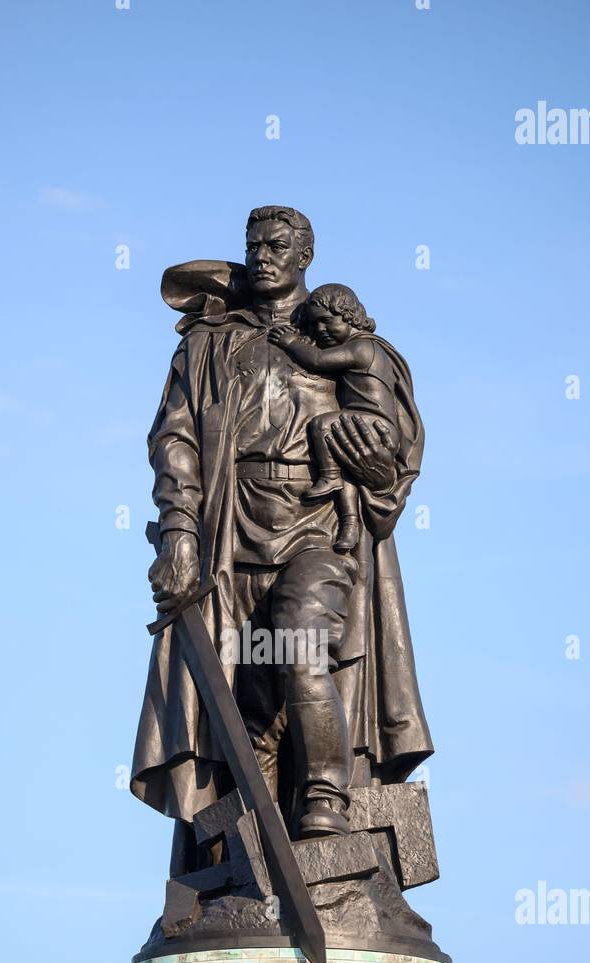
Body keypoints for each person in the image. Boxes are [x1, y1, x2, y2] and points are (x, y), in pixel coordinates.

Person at [132, 206, 433, 863]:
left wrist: (373, 455)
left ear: (305, 255)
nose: (262, 256)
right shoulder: (209, 342)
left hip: (317, 524)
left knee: (301, 645)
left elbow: (392, 448)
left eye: (276, 245)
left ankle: (326, 800)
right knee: (246, 703)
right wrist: (179, 529)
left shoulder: (334, 333)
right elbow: (175, 440)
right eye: (254, 246)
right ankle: (254, 858)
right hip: (230, 535)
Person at [268, 282, 399, 555]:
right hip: (362, 421)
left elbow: (317, 360)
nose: (320, 331)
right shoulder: (362, 346)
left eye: (327, 322)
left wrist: (290, 342)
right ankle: (349, 524)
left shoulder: (363, 348)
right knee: (348, 468)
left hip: (373, 423)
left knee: (321, 424)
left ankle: (328, 477)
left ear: (349, 315)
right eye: (315, 325)